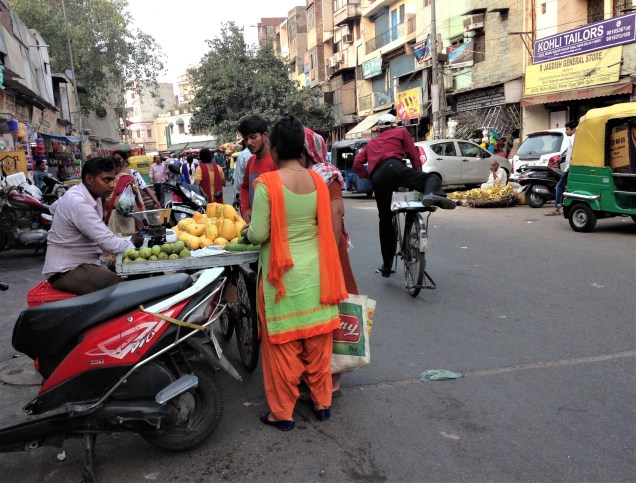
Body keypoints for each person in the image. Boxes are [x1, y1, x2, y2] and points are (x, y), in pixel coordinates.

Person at [246, 115, 348, 430]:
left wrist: (247, 229)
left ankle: (282, 413)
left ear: (274, 149)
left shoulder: (268, 184)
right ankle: (322, 403)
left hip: (283, 280)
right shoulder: (318, 180)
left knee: (282, 350)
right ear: (301, 148)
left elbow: (259, 234)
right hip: (317, 275)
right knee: (317, 344)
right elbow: (325, 227)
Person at [353, 113, 455, 278]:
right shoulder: (401, 132)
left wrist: (369, 176)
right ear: (394, 125)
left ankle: (386, 267)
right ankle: (431, 194)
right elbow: (414, 157)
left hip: (379, 177)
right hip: (396, 168)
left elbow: (357, 163)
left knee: (385, 221)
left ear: (379, 128)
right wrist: (418, 178)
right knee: (432, 178)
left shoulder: (372, 142)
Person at [300, 127, 358, 400]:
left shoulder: (327, 174)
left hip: (330, 250)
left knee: (335, 310)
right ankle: (316, 372)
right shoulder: (307, 176)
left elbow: (337, 213)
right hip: (315, 249)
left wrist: (329, 255)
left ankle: (333, 376)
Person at [43, 157, 143, 295]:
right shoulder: (78, 202)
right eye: (107, 180)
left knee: (129, 270)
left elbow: (53, 208)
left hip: (87, 261)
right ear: (90, 179)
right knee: (125, 288)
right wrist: (140, 251)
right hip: (67, 270)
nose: (113, 185)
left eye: (113, 179)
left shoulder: (81, 194)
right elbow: (108, 243)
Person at [239, 115, 277, 222]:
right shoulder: (251, 162)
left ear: (265, 136)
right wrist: (245, 209)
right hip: (254, 226)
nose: (249, 143)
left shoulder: (276, 163)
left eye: (253, 137)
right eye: (246, 139)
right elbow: (245, 187)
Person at [104, 156, 145, 235]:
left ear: (118, 167)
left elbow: (134, 196)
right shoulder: (111, 179)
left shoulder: (126, 179)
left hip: (123, 216)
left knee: (127, 240)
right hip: (114, 216)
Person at [546, 121, 577, 216]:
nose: (566, 131)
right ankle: (563, 207)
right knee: (567, 187)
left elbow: (573, 154)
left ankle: (557, 209)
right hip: (571, 167)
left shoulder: (573, 138)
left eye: (567, 129)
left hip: (570, 168)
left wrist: (568, 167)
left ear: (573, 129)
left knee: (559, 187)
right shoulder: (575, 138)